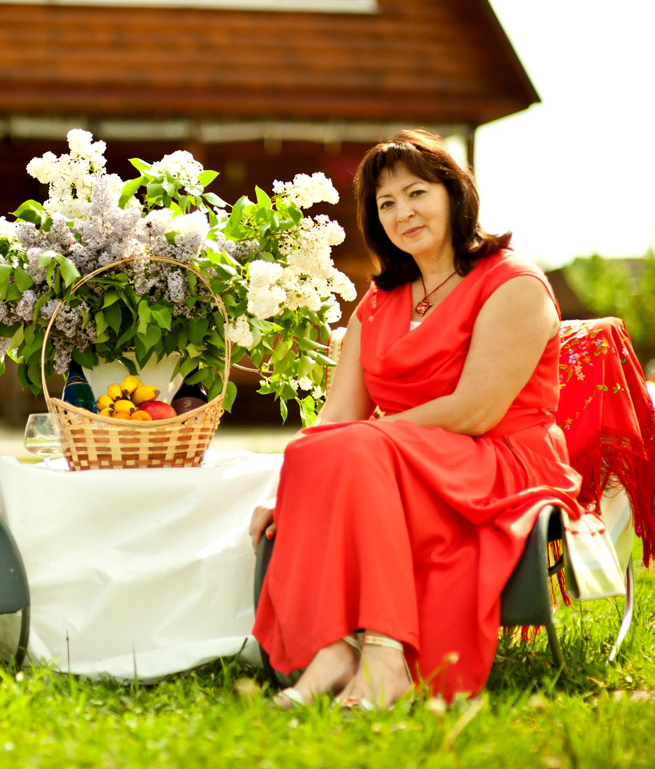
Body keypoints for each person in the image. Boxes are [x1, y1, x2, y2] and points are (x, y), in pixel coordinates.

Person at [250, 129, 585, 708]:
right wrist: (292, 488)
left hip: (501, 456)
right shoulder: (378, 303)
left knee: (358, 448)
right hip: (400, 455)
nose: (402, 212)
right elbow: (337, 418)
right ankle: (333, 650)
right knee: (311, 451)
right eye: (386, 203)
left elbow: (477, 408)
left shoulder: (513, 282)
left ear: (454, 194)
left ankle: (386, 656)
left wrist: (370, 442)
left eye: (416, 192)